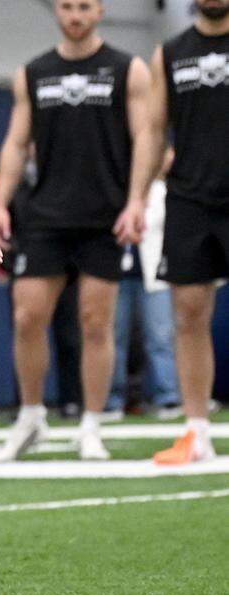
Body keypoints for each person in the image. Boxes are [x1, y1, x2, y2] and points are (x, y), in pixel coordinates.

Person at [0, 0, 159, 463]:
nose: (76, 15)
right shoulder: (33, 73)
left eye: (85, 7)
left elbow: (146, 138)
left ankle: (90, 425)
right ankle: (30, 418)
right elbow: (16, 142)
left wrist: (137, 200)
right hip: (44, 215)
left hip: (105, 215)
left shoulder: (128, 70)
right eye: (68, 6)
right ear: (56, 11)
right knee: (26, 317)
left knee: (95, 323)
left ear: (100, 11)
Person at [152, 0, 229, 465]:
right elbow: (152, 131)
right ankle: (196, 431)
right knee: (188, 312)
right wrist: (135, 198)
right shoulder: (170, 53)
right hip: (189, 198)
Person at [106, 149, 180, 421]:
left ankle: (168, 397)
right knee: (113, 337)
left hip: (153, 273)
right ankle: (111, 400)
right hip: (118, 272)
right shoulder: (116, 188)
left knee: (160, 336)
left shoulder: (163, 190)